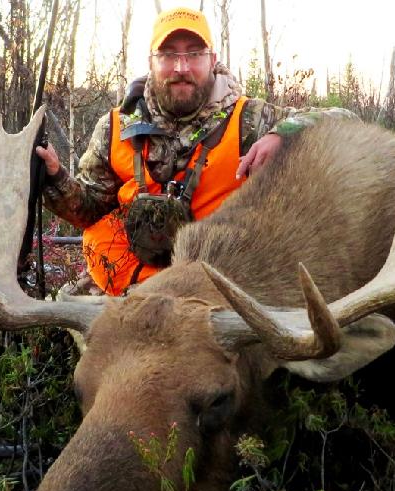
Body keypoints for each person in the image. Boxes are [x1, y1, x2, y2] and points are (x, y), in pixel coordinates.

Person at [36, 7, 355, 295]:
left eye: (194, 54)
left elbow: (344, 120)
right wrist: (55, 176)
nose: (181, 67)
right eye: (168, 55)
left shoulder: (251, 119)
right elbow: (89, 211)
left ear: (213, 60)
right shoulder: (115, 126)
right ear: (151, 62)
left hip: (213, 294)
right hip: (126, 292)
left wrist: (281, 135)